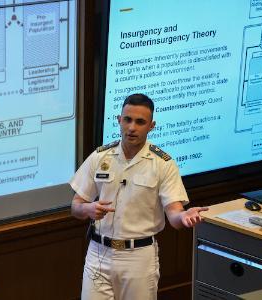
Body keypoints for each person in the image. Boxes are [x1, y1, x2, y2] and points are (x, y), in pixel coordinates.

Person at [69, 93, 208, 299]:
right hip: (98, 253)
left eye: (140, 122)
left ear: (151, 126)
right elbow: (75, 206)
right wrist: (87, 209)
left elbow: (174, 215)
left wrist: (185, 217)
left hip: (138, 257)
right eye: (127, 120)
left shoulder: (163, 164)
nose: (132, 127)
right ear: (119, 120)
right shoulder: (100, 157)